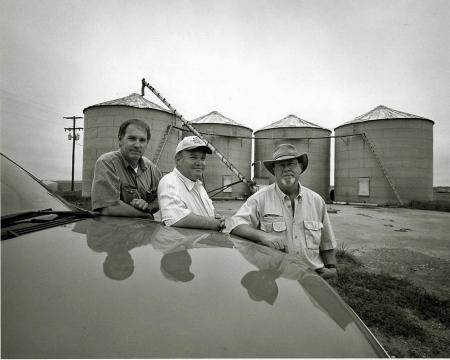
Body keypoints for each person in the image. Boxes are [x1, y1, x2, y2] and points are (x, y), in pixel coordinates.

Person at [230, 143, 338, 279]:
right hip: (276, 278)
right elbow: (236, 225)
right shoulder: (259, 199)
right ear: (274, 170)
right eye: (281, 165)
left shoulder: (316, 201)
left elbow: (326, 243)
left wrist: (332, 268)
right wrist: (264, 236)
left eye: (291, 164)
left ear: (300, 168)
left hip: (313, 278)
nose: (286, 169)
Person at [91, 118, 162, 218]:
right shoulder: (107, 163)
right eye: (132, 138)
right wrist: (146, 215)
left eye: (142, 140)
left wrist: (148, 207)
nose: (137, 145)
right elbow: (108, 208)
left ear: (147, 143)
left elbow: (162, 198)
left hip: (143, 231)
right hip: (115, 230)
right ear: (120, 140)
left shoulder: (151, 168)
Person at [157, 136, 225, 230]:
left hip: (202, 242)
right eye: (193, 157)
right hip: (185, 244)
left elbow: (210, 213)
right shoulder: (169, 181)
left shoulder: (198, 185)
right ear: (178, 160)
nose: (199, 163)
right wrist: (213, 223)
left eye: (202, 158)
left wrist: (218, 218)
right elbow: (175, 218)